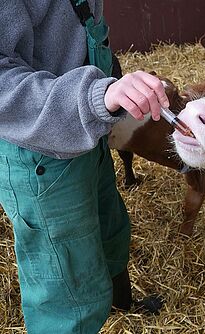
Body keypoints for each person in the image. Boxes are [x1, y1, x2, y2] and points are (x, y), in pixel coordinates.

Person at [0, 1, 168, 333]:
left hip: (88, 126)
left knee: (111, 231)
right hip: (39, 148)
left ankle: (123, 309)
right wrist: (94, 96)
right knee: (67, 289)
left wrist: (110, 82)